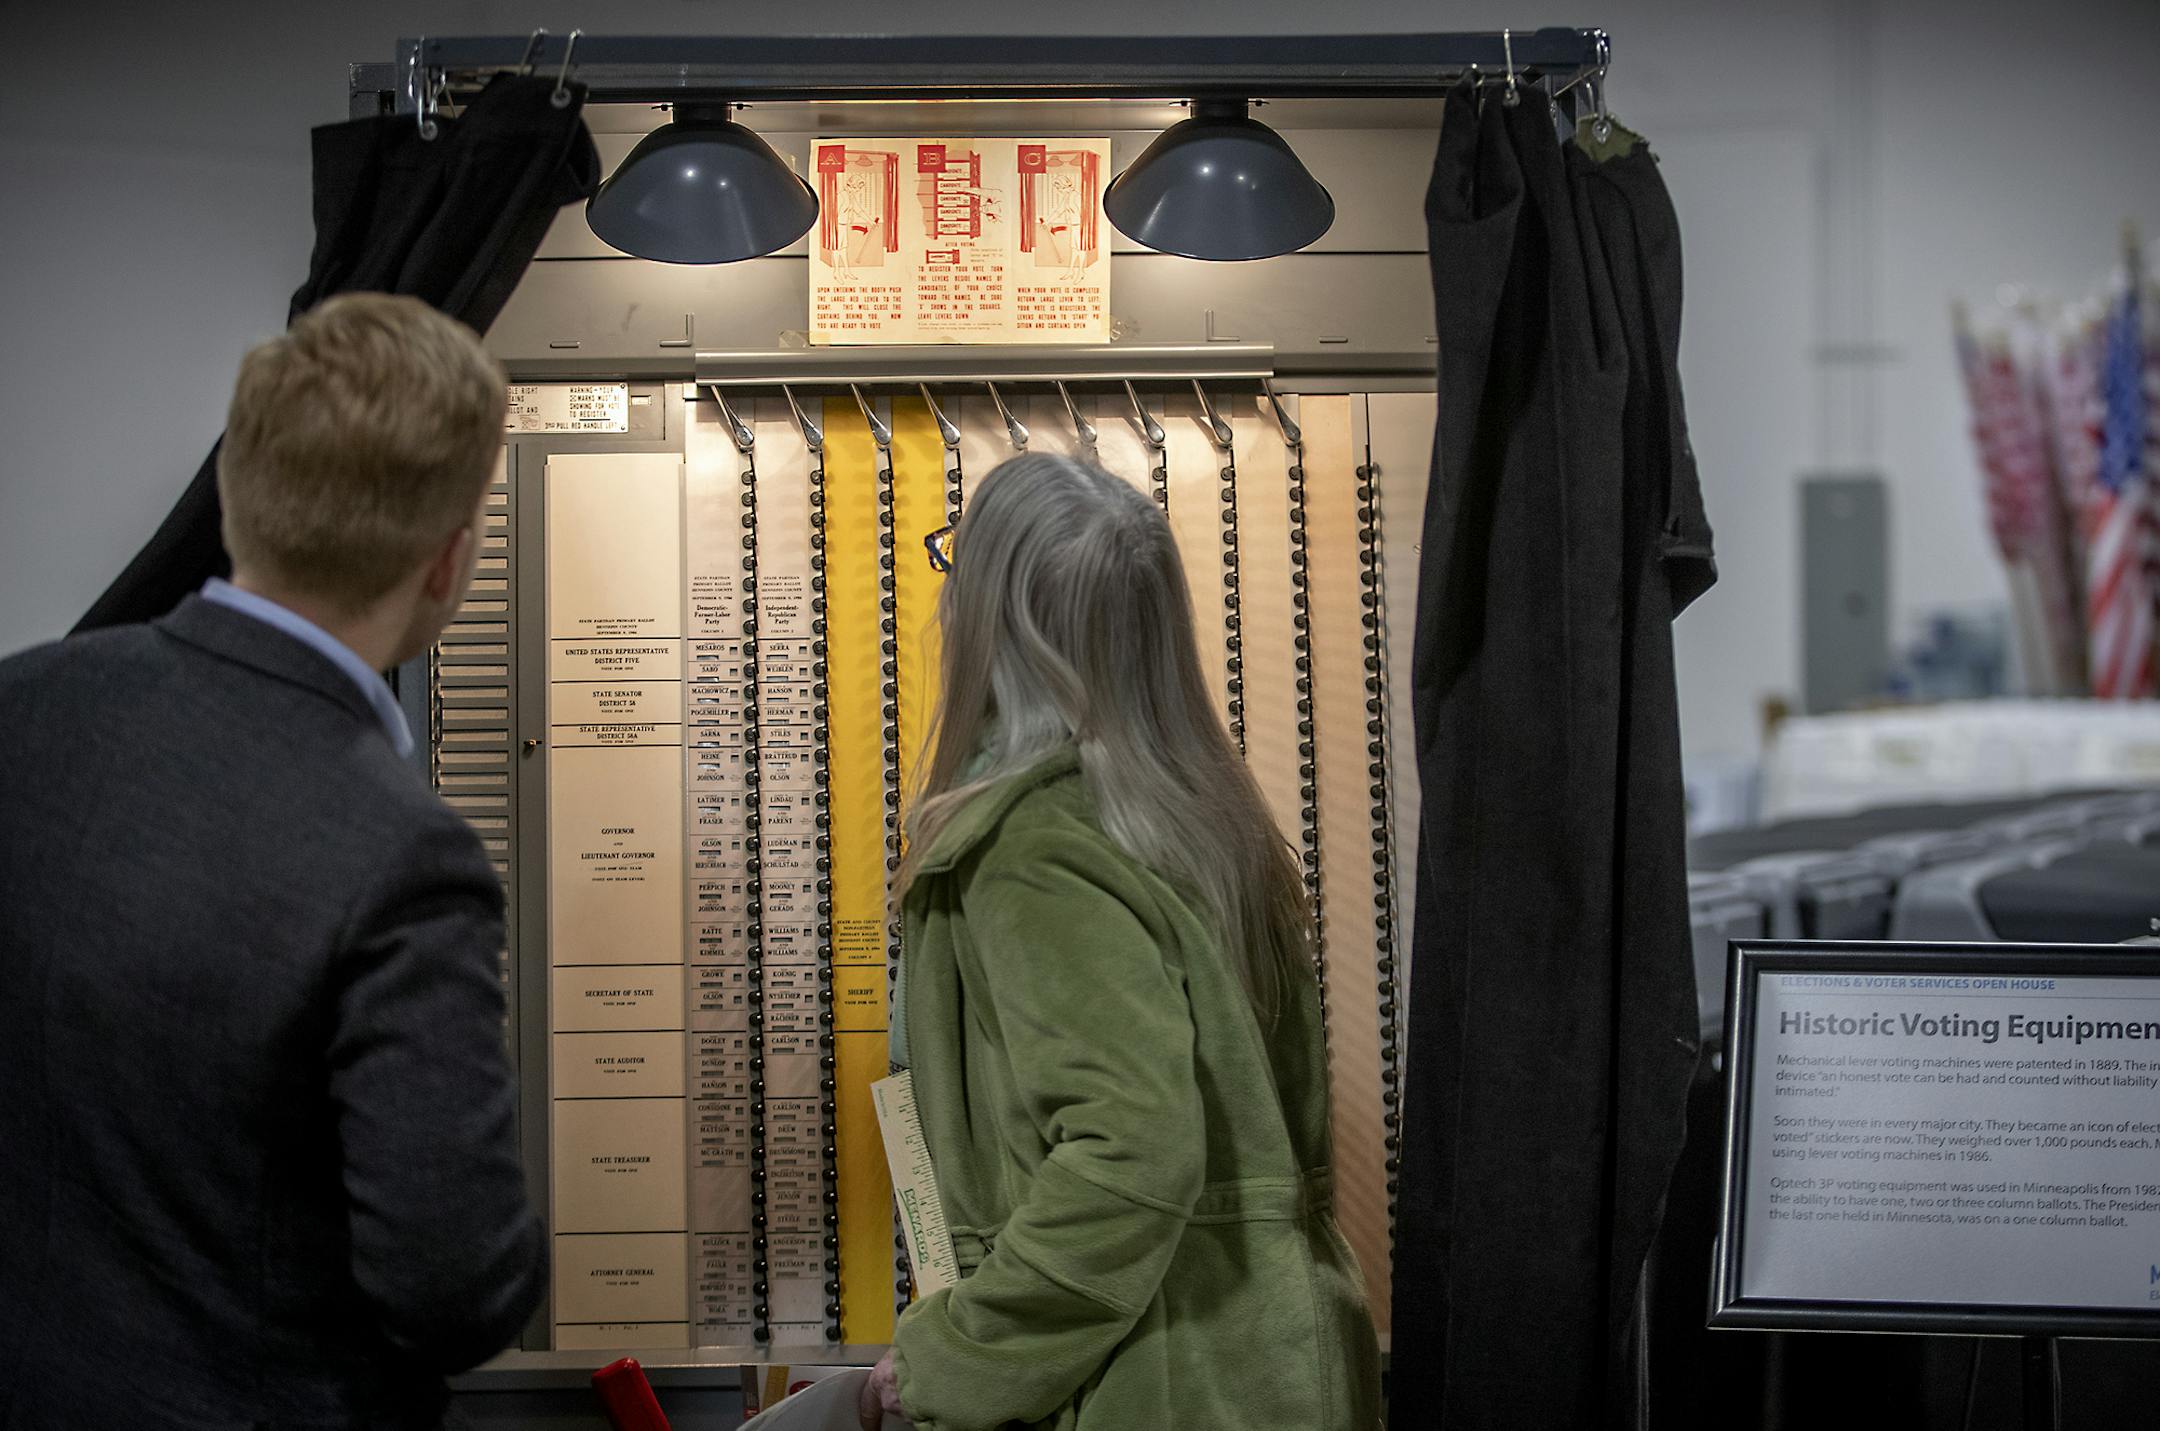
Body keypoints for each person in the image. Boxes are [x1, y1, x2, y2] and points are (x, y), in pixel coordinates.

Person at [0, 294, 544, 1428]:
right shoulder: (397, 855)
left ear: (241, 497)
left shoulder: (24, 708)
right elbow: (455, 1285)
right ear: (447, 564)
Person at [861, 455, 1381, 1430]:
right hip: (1275, 1371)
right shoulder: (1211, 825)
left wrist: (966, 1352)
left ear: (993, 625)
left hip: (1143, 1385)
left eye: (954, 570)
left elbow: (1132, 1153)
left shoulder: (1037, 848)